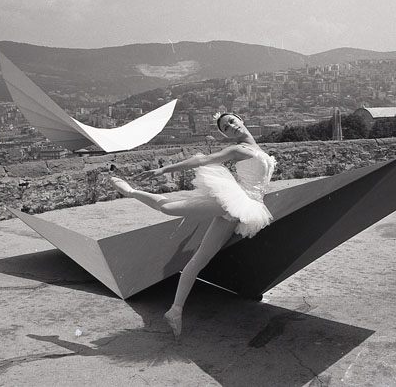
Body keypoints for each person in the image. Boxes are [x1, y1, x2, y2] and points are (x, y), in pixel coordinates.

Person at [110, 113, 276, 339]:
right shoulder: (238, 150)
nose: (231, 126)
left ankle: (175, 311)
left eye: (231, 121)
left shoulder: (257, 149)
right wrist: (163, 170)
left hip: (246, 208)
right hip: (236, 200)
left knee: (200, 259)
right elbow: (201, 161)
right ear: (226, 135)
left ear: (241, 120)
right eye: (225, 128)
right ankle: (131, 192)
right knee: (169, 208)